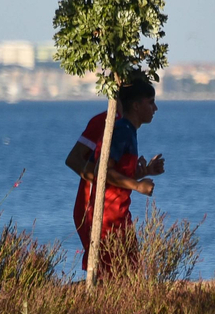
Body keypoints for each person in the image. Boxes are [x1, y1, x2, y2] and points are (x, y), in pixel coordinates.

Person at [64, 73, 163, 278]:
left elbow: (116, 171)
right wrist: (135, 185)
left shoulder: (126, 127)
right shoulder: (110, 124)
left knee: (130, 270)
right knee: (110, 272)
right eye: (151, 102)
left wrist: (142, 172)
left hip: (119, 210)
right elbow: (91, 166)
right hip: (101, 209)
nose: (155, 109)